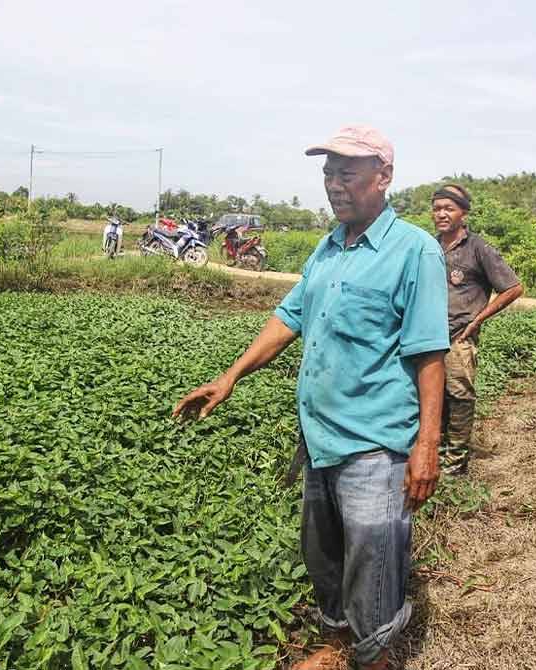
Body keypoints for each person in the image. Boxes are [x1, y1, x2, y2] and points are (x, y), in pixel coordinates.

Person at [173, 125, 449, 670]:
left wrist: (428, 444)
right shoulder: (329, 247)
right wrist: (231, 376)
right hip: (320, 436)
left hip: (375, 442)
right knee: (324, 555)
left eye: (347, 173)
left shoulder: (414, 251)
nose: (334, 184)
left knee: (374, 560)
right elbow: (290, 315)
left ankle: (375, 652)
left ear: (383, 177)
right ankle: (339, 640)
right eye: (328, 173)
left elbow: (429, 353)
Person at [432, 184, 523, 475]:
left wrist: (476, 320)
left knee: (459, 397)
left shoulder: (478, 248)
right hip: (429, 337)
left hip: (459, 338)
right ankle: (436, 452)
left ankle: (456, 463)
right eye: (437, 208)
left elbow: (513, 288)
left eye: (449, 208)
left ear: (464, 213)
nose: (441, 214)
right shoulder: (430, 246)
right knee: (432, 395)